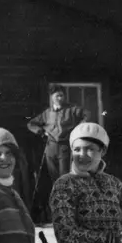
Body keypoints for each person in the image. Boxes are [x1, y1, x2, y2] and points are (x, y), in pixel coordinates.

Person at [27, 84, 88, 219]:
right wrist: (41, 132)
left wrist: (78, 128)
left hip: (64, 148)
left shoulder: (71, 110)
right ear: (52, 97)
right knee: (54, 179)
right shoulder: (47, 113)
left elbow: (85, 115)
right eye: (57, 96)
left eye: (61, 95)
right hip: (50, 148)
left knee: (65, 178)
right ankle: (58, 211)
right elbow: (31, 124)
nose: (60, 98)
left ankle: (69, 211)